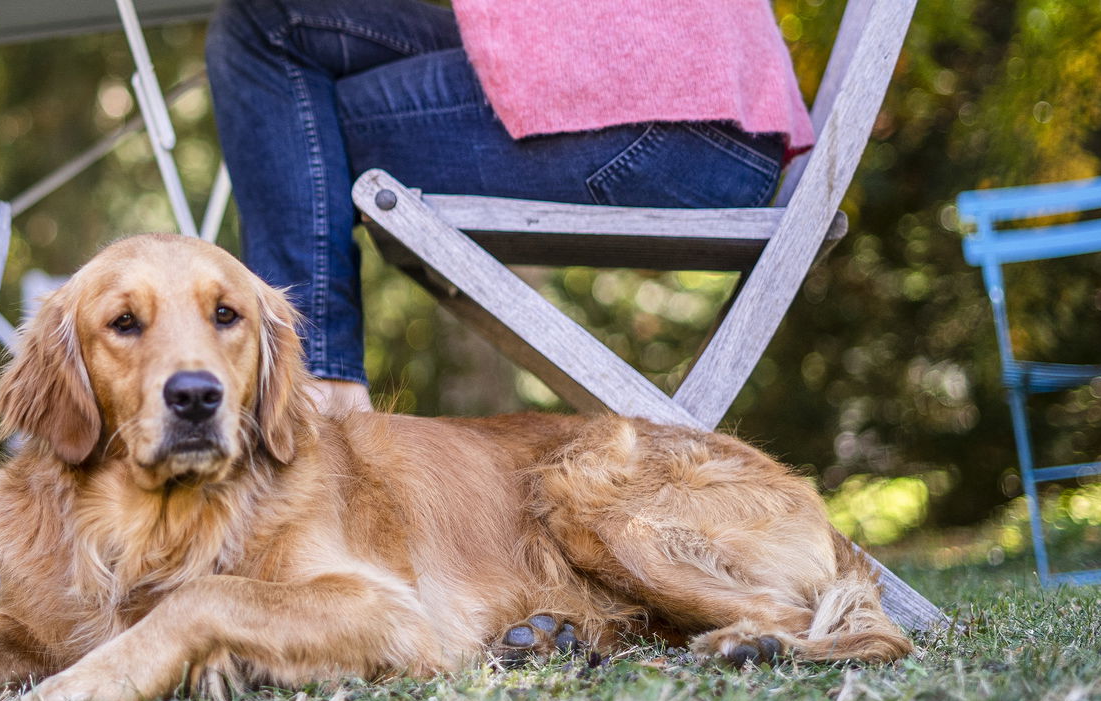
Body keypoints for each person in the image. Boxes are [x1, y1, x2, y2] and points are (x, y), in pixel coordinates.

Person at [207, 0, 815, 414]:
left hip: (653, 113)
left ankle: (313, 393)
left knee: (287, 111)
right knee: (273, 26)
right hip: (704, 93)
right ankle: (317, 380)